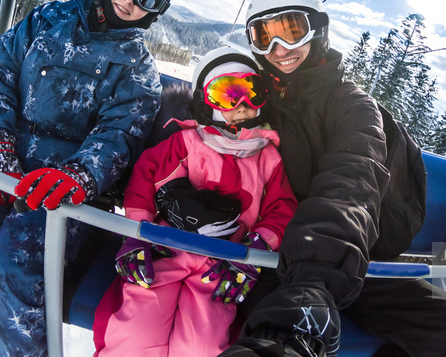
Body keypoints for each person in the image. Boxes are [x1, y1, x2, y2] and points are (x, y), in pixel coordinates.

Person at [0, 0, 176, 357]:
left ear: (155, 12)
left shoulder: (137, 71)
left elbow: (119, 137)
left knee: (4, 271)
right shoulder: (47, 19)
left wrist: (79, 176)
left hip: (61, 195)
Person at [220, 0, 446, 357]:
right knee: (246, 325)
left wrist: (311, 286)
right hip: (273, 255)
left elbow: (352, 184)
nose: (279, 49)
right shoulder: (257, 100)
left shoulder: (354, 106)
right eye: (263, 36)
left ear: (318, 31)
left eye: (292, 30)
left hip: (345, 256)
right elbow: (205, 135)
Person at [92, 47, 298, 357]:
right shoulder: (188, 142)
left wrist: (259, 247)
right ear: (207, 102)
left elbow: (281, 208)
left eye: (251, 93)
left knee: (201, 345)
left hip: (223, 263)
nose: (241, 106)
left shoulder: (268, 158)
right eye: (228, 94)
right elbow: (145, 178)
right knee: (135, 334)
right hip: (166, 248)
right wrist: (136, 235)